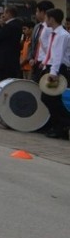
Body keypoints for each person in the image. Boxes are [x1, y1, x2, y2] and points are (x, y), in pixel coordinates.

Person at [38, 8, 70, 140]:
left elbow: (58, 55)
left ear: (52, 19)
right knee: (50, 98)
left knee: (50, 98)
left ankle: (65, 123)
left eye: (47, 18)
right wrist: (46, 63)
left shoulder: (62, 35)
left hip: (57, 69)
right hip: (51, 67)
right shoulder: (53, 33)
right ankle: (59, 125)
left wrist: (53, 72)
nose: (45, 21)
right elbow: (46, 46)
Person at [0, 5, 22, 82]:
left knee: (4, 82)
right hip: (7, 62)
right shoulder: (11, 25)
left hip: (6, 62)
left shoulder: (11, 26)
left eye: (4, 13)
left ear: (9, 13)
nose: (2, 15)